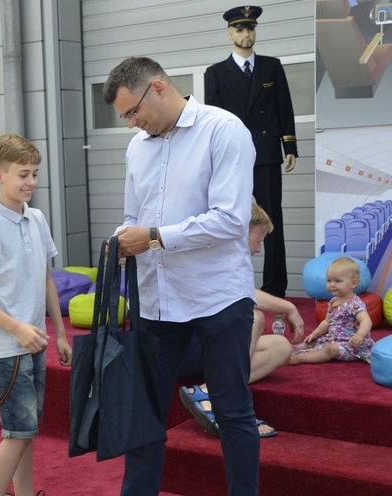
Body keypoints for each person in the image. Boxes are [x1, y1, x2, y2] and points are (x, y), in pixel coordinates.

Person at [103, 56, 258, 495]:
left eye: (134, 111)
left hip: (218, 298)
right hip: (156, 301)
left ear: (158, 88)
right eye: (125, 117)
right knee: (145, 413)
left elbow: (230, 220)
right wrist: (121, 240)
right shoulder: (137, 148)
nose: (133, 123)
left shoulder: (223, 129)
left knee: (232, 410)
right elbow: (133, 215)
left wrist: (152, 237)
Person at [0, 134, 72, 496]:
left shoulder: (37, 218)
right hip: (5, 346)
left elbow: (45, 278)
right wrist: (17, 329)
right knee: (18, 433)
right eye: (23, 174)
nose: (31, 182)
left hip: (35, 340)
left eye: (35, 174)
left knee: (25, 431)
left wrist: (59, 333)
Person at [178, 202, 303, 438]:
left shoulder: (230, 260)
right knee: (251, 315)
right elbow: (244, 295)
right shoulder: (207, 255)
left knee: (281, 347)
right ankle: (230, 401)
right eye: (260, 239)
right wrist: (289, 307)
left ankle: (208, 391)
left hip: (206, 348)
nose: (258, 248)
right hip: (183, 349)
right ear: (240, 231)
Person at [204, 5, 298, 299]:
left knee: (273, 221)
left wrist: (289, 145)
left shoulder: (272, 66)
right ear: (230, 33)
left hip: (268, 153)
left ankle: (275, 287)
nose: (246, 34)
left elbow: (284, 106)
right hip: (233, 157)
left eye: (251, 29)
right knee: (231, 219)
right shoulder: (216, 73)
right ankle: (233, 284)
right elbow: (213, 118)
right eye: (241, 29)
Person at [290, 257, 373, 365]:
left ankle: (300, 359)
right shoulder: (333, 301)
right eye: (329, 280)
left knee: (331, 349)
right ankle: (311, 352)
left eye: (337, 281)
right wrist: (314, 334)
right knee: (321, 343)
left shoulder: (355, 303)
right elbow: (327, 322)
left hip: (351, 345)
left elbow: (366, 321)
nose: (332, 284)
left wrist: (359, 335)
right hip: (335, 339)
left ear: (353, 283)